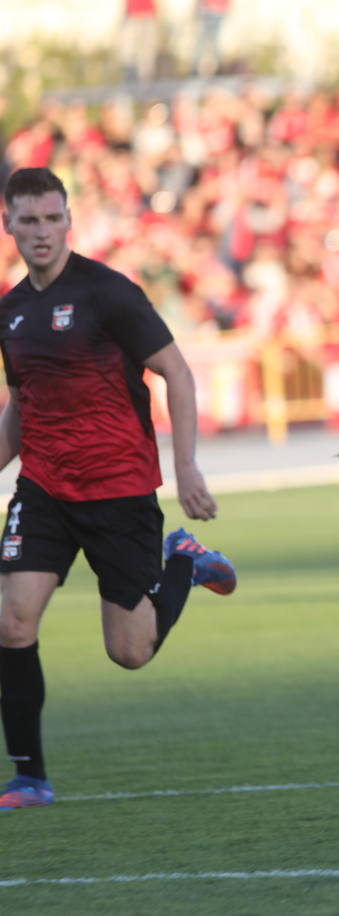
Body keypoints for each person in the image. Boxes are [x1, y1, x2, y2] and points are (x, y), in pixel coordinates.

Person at [0, 168, 237, 811]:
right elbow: (23, 403)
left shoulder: (110, 294)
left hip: (120, 489)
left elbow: (177, 375)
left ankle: (184, 560)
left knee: (130, 652)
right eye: (29, 220)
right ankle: (29, 776)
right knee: (12, 618)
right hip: (44, 487)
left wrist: (186, 468)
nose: (42, 232)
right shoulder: (11, 312)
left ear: (68, 220)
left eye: (53, 219)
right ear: (10, 225)